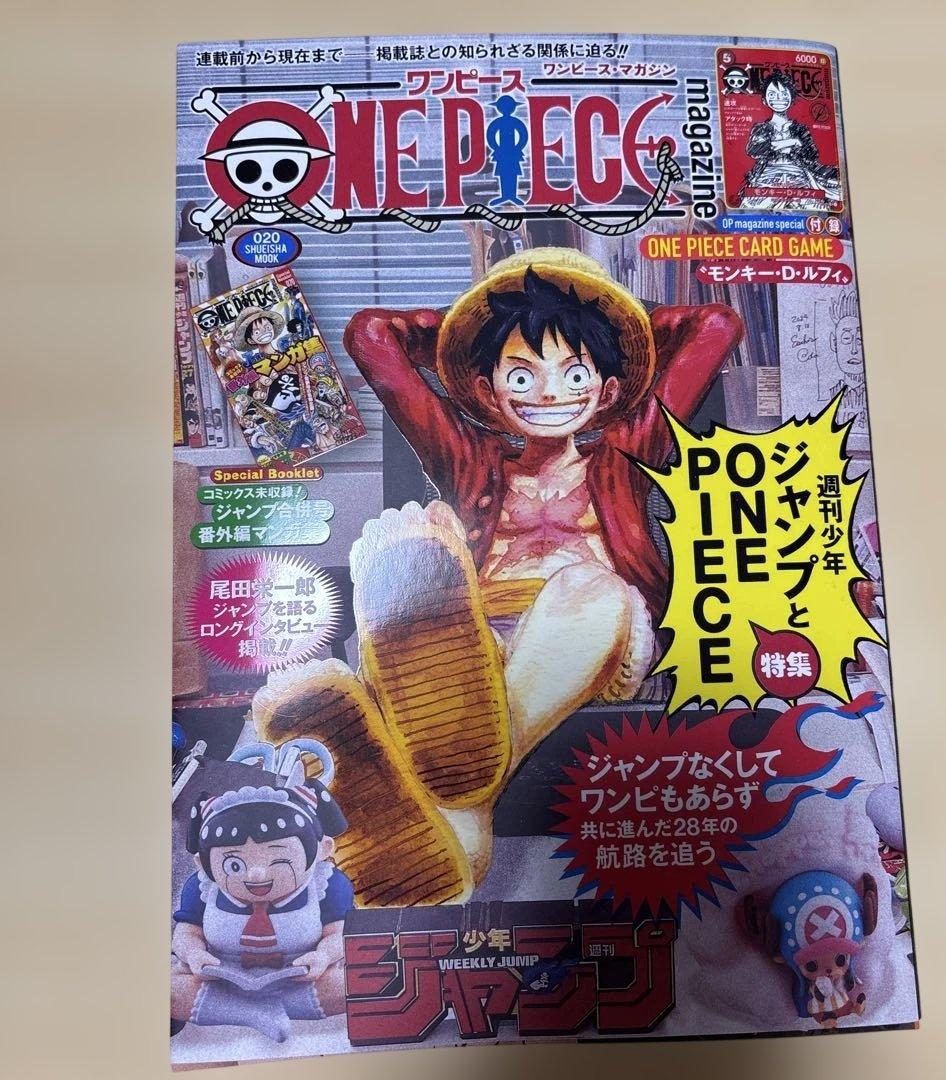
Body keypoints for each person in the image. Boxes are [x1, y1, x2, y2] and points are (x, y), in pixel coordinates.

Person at [255, 249, 743, 899]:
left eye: (575, 373)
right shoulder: (467, 458)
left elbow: (717, 325)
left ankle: (453, 800)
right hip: (467, 643)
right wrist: (469, 330)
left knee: (587, 589)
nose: (549, 392)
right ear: (487, 391)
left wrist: (600, 314)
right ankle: (457, 827)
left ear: (608, 390)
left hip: (593, 636)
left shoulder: (629, 450)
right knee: (419, 571)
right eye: (520, 374)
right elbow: (370, 334)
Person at [170, 778, 353, 1043]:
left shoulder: (327, 884)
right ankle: (250, 1014)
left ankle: (236, 1010)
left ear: (322, 849)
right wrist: (194, 954)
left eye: (278, 860)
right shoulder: (202, 888)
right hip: (222, 980)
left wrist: (323, 956)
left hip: (300, 980)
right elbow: (187, 933)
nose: (256, 875)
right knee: (165, 991)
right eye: (234, 865)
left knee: (351, 985)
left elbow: (339, 933)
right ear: (202, 863)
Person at [738, 71, 842, 212]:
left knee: (815, 209)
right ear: (764, 100)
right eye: (772, 95)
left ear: (792, 98)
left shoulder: (800, 128)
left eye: (784, 94)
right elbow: (753, 149)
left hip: (798, 174)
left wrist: (788, 144)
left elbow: (812, 154)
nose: (779, 99)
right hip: (767, 175)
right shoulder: (761, 127)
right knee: (750, 210)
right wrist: (791, 142)